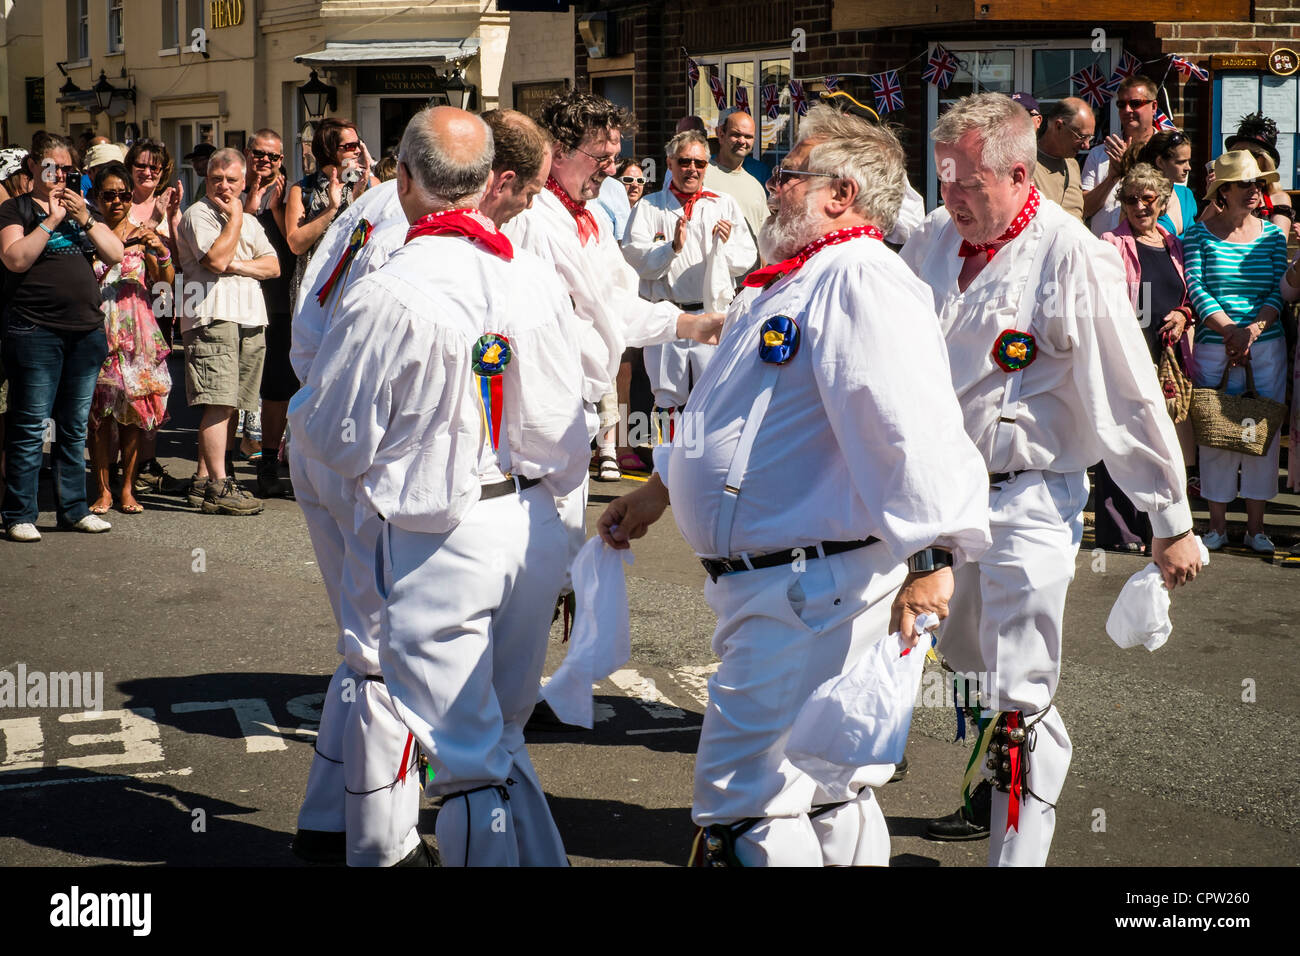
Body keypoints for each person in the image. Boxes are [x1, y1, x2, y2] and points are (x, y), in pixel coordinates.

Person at [599, 105, 992, 866]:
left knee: (743, 805)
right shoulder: (787, 282)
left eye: (787, 174)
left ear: (840, 195)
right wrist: (660, 491)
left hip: (808, 587)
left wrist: (931, 563)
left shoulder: (862, 279)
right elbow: (735, 418)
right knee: (826, 786)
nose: (771, 188)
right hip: (788, 588)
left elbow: (910, 428)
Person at [901, 93, 1201, 865]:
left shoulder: (1073, 255)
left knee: (1017, 697)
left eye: (968, 182)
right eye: (943, 179)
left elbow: (1126, 392)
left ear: (1018, 171)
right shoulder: (931, 241)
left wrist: (1169, 519)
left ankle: (1019, 842)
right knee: (967, 673)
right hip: (940, 509)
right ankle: (1019, 749)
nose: (952, 197)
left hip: (1028, 500)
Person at [291, 106, 589, 867]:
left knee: (453, 743)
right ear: (492, 181)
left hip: (434, 522)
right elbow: (567, 421)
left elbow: (332, 433)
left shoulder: (392, 283)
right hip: (522, 516)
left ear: (402, 174)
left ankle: (377, 842)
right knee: (487, 726)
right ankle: (355, 831)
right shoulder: (524, 273)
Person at [503, 90, 723, 573]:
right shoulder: (530, 222)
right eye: (601, 157)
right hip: (533, 414)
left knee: (560, 554)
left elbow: (614, 304)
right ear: (558, 152)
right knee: (533, 558)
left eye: (615, 156)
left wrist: (689, 323)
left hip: (575, 412)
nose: (611, 168)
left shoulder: (594, 219)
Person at [1, 132, 124, 541]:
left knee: (73, 427)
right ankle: (20, 512)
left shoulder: (82, 209)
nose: (60, 176)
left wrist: (84, 218)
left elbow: (115, 253)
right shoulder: (15, 209)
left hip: (84, 331)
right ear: (33, 167)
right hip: (35, 329)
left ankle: (73, 509)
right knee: (30, 423)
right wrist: (51, 219)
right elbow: (15, 259)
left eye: (68, 169)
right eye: (52, 167)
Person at [1183, 150, 1288, 553]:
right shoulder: (1197, 235)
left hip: (1265, 344)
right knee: (1216, 435)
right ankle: (1217, 527)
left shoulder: (1274, 235)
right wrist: (1230, 331)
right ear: (1222, 191)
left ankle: (1256, 528)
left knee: (1261, 433)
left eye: (1257, 183)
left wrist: (1253, 330)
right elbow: (1196, 287)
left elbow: (1277, 289)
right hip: (1216, 346)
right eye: (1245, 183)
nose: (1254, 191)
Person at [623, 129, 755, 449]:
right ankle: (667, 469)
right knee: (667, 399)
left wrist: (721, 248)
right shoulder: (650, 207)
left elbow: (747, 256)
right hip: (667, 316)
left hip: (709, 316)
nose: (692, 169)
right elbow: (635, 258)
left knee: (709, 394)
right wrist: (672, 248)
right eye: (684, 161)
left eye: (699, 162)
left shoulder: (723, 204)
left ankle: (698, 462)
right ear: (670, 163)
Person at [176, 147, 280, 516]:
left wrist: (236, 264)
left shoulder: (250, 222)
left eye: (231, 180)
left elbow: (273, 267)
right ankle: (220, 484)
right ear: (206, 178)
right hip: (212, 316)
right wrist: (236, 218)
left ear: (244, 180)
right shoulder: (198, 215)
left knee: (234, 403)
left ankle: (205, 480)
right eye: (217, 178)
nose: (223, 186)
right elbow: (215, 260)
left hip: (251, 318)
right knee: (218, 401)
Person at [1097, 164, 1194, 552]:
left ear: (1163, 200)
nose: (1139, 205)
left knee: (1158, 437)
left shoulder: (1173, 243)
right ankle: (1119, 531)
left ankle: (1154, 527)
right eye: (1131, 199)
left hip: (1167, 353)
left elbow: (1188, 293)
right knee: (1122, 437)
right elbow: (1105, 298)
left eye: (1148, 198)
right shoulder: (1111, 241)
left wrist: (1184, 314)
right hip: (1129, 351)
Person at [85, 163, 175, 516]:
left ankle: (127, 488)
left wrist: (160, 249)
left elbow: (165, 279)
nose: (118, 201)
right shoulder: (88, 233)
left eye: (124, 194)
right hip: (98, 328)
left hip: (137, 331)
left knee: (135, 414)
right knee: (100, 415)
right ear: (97, 198)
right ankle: (103, 490)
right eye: (110, 195)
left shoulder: (144, 232)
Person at [242, 129, 294, 498]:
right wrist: (252, 198)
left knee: (278, 386)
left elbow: (293, 242)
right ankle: (230, 462)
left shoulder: (290, 193)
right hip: (242, 298)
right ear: (248, 154)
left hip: (280, 299)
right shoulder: (229, 184)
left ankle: (270, 460)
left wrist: (274, 205)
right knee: (239, 386)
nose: (265, 161)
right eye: (259, 154)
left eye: (273, 157)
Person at [284, 118, 378, 306]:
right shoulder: (303, 190)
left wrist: (359, 199)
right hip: (313, 291)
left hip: (356, 288)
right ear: (330, 149)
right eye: (350, 146)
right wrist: (331, 209)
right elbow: (296, 245)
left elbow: (379, 235)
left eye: (358, 144)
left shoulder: (370, 185)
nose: (358, 150)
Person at [1081, 74, 1159, 237]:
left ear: (1154, 107)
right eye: (1121, 104)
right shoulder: (1100, 153)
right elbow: (1084, 209)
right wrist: (1112, 178)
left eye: (1135, 103)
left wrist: (1130, 168)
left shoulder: (1168, 151)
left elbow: (1166, 205)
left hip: (1147, 249)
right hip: (1104, 252)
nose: (1127, 110)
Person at [705, 109, 771, 244]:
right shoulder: (702, 175)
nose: (742, 141)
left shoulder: (756, 186)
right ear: (721, 135)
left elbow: (763, 239)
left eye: (748, 137)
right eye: (736, 134)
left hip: (750, 264)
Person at [1224, 112, 1294, 234]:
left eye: (1253, 154)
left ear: (1266, 161)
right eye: (1240, 153)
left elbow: (1278, 242)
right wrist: (1215, 196)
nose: (1246, 159)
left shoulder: (1277, 198)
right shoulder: (1225, 191)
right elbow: (1199, 234)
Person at [1034, 97, 1094, 221]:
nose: (1086, 145)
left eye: (1090, 138)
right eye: (1082, 136)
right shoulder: (1027, 164)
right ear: (1058, 126)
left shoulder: (1072, 165)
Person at [1136, 130, 1196, 236]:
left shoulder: (1186, 195)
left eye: (1188, 161)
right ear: (1160, 162)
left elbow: (1193, 237)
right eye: (1181, 162)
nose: (1188, 168)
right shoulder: (1142, 199)